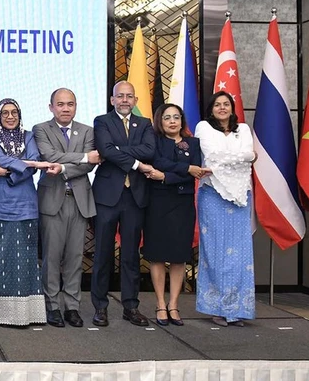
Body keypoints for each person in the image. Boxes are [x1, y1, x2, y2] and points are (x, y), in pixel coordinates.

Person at [0, 98, 59, 326]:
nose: (10, 117)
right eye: (5, 113)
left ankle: (26, 314)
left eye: (14, 112)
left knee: (25, 258)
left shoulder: (29, 135)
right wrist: (26, 166)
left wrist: (5, 172)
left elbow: (33, 161)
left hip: (25, 205)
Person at [91, 81, 156, 328]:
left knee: (130, 255)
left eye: (129, 96)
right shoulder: (102, 121)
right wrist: (136, 162)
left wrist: (121, 150)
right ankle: (100, 307)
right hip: (107, 197)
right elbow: (106, 150)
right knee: (102, 254)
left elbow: (150, 150)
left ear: (136, 100)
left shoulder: (146, 124)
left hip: (135, 197)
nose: (125, 100)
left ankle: (131, 306)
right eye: (120, 96)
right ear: (112, 100)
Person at [33, 88, 100, 328]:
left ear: (76, 106)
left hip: (79, 200)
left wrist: (64, 166)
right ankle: (51, 306)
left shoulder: (88, 130)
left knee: (75, 257)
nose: (65, 108)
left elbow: (90, 166)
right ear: (51, 107)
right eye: (60, 104)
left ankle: (72, 306)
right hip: (53, 201)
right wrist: (82, 157)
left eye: (70, 104)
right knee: (51, 256)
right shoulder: (40, 129)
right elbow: (49, 155)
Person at [194, 91, 257, 327]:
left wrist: (245, 156)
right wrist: (244, 157)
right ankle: (217, 308)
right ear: (211, 109)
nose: (222, 108)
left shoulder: (243, 129)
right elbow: (212, 157)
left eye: (226, 104)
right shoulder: (204, 128)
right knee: (216, 252)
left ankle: (237, 309)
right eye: (217, 104)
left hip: (241, 195)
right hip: (213, 195)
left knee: (240, 255)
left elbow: (248, 155)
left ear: (232, 107)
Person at [142, 103, 207, 327]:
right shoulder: (155, 141)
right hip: (158, 204)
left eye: (176, 117)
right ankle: (160, 304)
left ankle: (174, 304)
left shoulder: (194, 143)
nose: (172, 121)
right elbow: (157, 162)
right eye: (167, 117)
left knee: (179, 256)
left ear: (182, 120)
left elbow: (194, 171)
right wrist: (185, 168)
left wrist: (168, 176)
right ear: (160, 121)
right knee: (158, 255)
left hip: (182, 203)